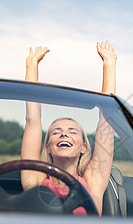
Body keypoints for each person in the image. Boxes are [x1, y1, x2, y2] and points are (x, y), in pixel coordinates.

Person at [20, 41, 117, 215]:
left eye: (72, 132)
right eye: (56, 132)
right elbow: (32, 120)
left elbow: (106, 122)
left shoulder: (93, 180)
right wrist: (31, 66)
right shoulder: (35, 180)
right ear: (48, 146)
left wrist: (109, 64)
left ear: (83, 147)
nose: (64, 133)